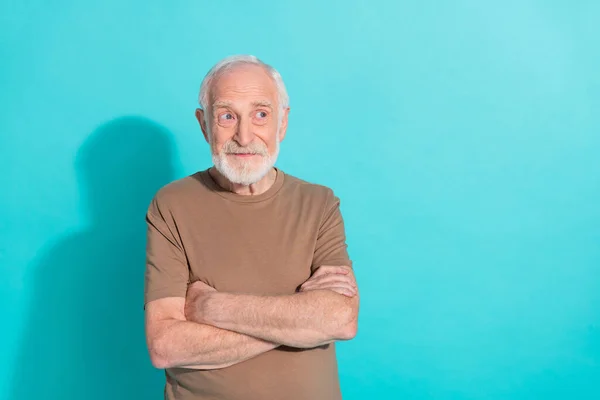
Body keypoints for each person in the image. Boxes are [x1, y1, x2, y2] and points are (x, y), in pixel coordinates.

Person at [144, 55, 360, 400]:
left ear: (282, 123)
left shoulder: (319, 203)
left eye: (261, 114)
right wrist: (302, 320)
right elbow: (165, 346)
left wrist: (210, 308)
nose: (244, 136)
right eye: (227, 116)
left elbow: (341, 320)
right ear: (204, 125)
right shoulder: (172, 205)